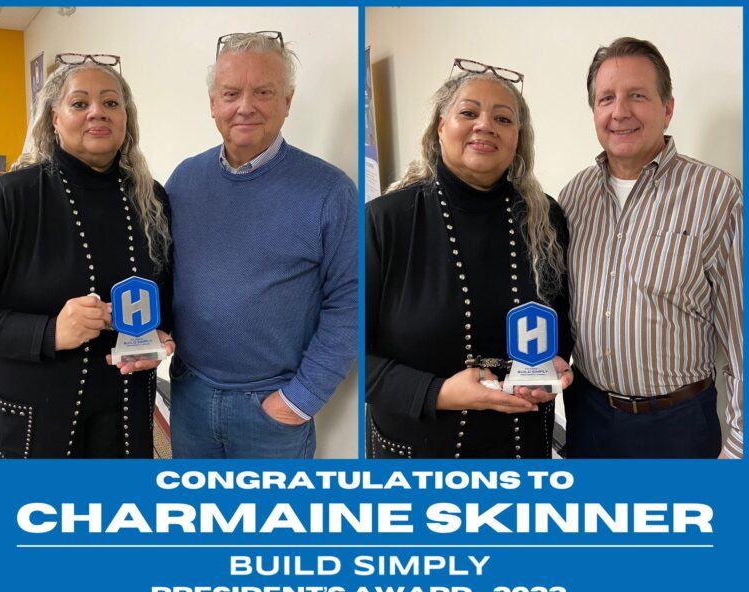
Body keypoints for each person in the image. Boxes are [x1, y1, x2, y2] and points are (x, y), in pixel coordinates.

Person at [365, 59, 573, 459]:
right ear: (440, 126)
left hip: (521, 443)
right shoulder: (385, 221)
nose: (485, 125)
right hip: (417, 451)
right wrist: (438, 392)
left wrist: (552, 365)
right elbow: (351, 354)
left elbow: (561, 324)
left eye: (503, 118)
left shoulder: (546, 219)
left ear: (517, 139)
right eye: (468, 113)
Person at [165, 31, 357, 458]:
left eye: (263, 92)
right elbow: (168, 273)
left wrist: (300, 400)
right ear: (213, 103)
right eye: (231, 93)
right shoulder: (184, 180)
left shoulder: (331, 191)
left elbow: (350, 302)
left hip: (271, 409)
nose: (245, 106)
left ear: (287, 101)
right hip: (190, 393)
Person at [559, 37, 743, 459]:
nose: (620, 111)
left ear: (667, 108)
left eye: (637, 96)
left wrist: (737, 450)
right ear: (594, 112)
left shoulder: (717, 195)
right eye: (606, 98)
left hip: (676, 428)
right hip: (588, 418)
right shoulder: (574, 196)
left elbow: (742, 337)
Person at [0, 57, 174, 459]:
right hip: (35, 420)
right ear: (55, 118)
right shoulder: (11, 196)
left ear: (126, 118)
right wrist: (49, 331)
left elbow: (168, 295)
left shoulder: (152, 199)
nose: (97, 112)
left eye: (111, 103)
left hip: (125, 415)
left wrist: (162, 335)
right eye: (79, 103)